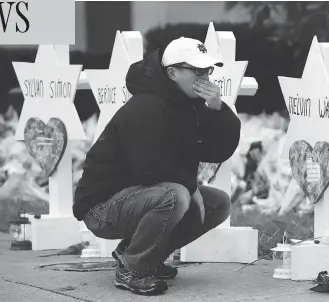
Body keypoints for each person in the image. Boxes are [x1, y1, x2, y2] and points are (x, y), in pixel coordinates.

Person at [73, 37, 241, 296]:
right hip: (102, 208)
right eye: (197, 70)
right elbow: (148, 166)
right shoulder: (147, 105)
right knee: (176, 195)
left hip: (140, 195)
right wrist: (189, 185)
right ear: (172, 73)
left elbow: (216, 151)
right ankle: (133, 268)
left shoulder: (188, 105)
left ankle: (140, 254)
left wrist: (217, 109)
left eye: (208, 70)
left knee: (217, 204)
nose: (205, 77)